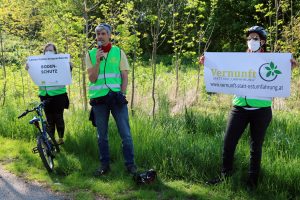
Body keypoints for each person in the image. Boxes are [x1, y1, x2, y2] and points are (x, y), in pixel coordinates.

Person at [199, 26, 298, 189]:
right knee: (228, 143)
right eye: (249, 38)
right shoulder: (239, 59)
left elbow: (279, 76)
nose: (251, 41)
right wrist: (207, 63)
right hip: (239, 108)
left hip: (261, 110)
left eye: (255, 38)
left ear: (263, 42)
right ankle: (225, 175)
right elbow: (222, 70)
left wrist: (290, 67)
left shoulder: (272, 60)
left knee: (255, 147)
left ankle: (252, 183)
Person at [86, 23, 137, 176]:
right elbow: (92, 79)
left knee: (126, 134)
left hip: (116, 98)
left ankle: (131, 165)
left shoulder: (118, 52)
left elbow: (124, 75)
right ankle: (104, 165)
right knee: (102, 136)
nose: (100, 36)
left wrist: (122, 93)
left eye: (103, 33)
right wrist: (97, 61)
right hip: (99, 100)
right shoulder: (90, 54)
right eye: (98, 34)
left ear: (109, 35)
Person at [26, 43, 70, 145]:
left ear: (55, 52)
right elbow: (36, 76)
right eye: (47, 50)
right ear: (44, 52)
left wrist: (70, 66)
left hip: (59, 95)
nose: (49, 52)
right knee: (49, 120)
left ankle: (60, 139)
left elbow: (66, 74)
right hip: (44, 95)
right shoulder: (39, 63)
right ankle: (51, 140)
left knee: (58, 118)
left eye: (51, 50)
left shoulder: (61, 62)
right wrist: (30, 68)